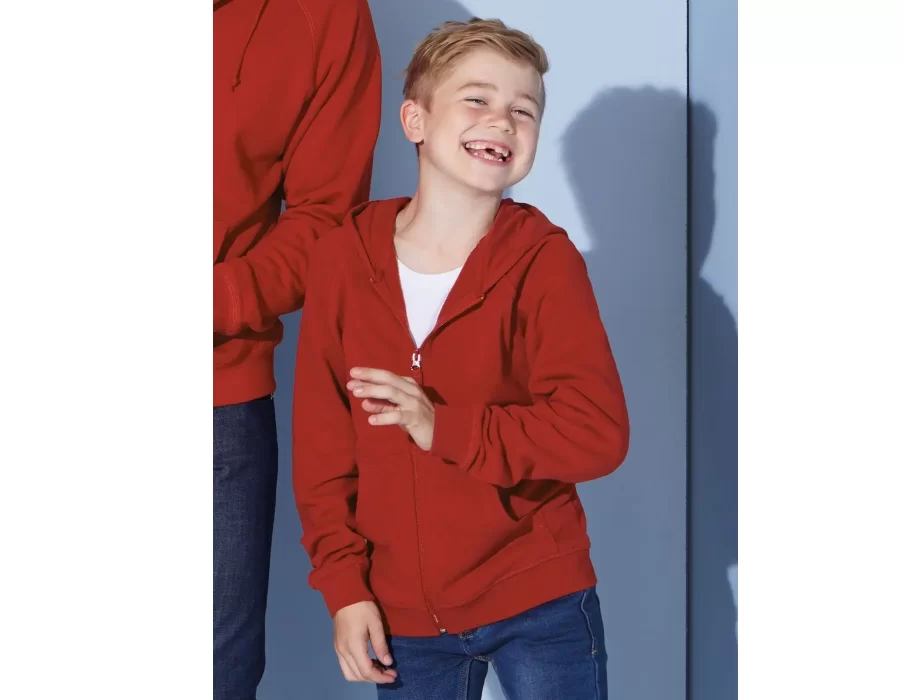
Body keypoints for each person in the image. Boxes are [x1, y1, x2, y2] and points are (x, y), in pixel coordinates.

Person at [292, 17, 628, 700]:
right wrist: (344, 588)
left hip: (539, 598)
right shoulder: (343, 259)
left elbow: (597, 432)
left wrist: (443, 427)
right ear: (415, 120)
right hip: (404, 619)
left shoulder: (543, 261)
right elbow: (321, 447)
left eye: (524, 110)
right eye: (477, 99)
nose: (502, 120)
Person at [213, 0, 381, 697]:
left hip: (216, 395)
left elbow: (327, 218)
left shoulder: (326, 12)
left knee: (214, 675)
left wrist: (215, 298)